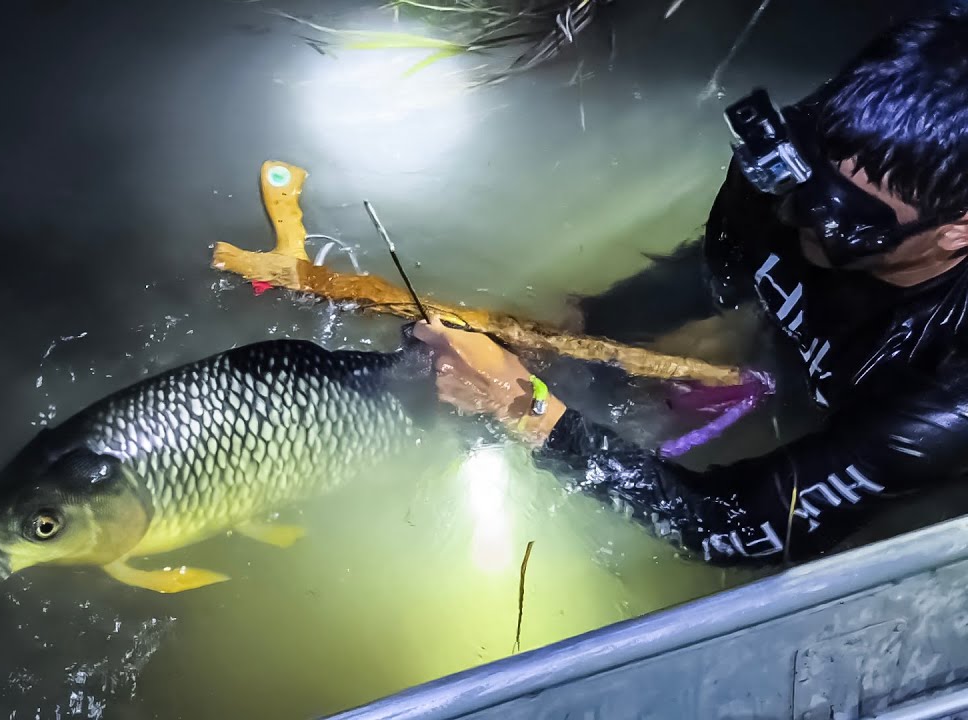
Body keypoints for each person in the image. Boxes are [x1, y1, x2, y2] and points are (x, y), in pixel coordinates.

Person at [414, 9, 968, 566]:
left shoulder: (948, 384)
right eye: (797, 177)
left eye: (838, 219)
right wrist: (588, 327)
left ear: (956, 230)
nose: (795, 214)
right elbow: (723, 268)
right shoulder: (788, 170)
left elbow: (733, 525)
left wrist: (526, 408)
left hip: (923, 470)